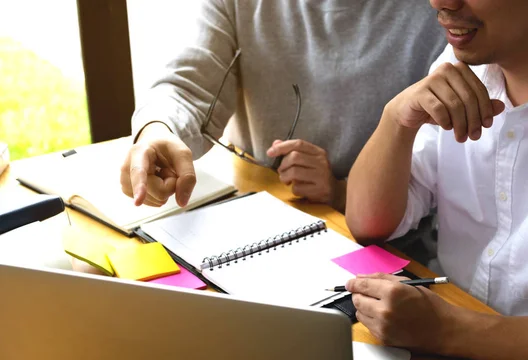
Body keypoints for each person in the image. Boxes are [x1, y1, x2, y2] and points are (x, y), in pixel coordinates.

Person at [346, 0, 528, 360]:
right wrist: (396, 119)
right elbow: (370, 223)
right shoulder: (467, 60)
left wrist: (450, 330)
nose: (440, 2)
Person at [119, 0, 446, 213]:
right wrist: (157, 131)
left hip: (382, 243)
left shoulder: (440, 12)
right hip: (257, 213)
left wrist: (340, 191)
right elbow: (186, 84)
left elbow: (445, 166)